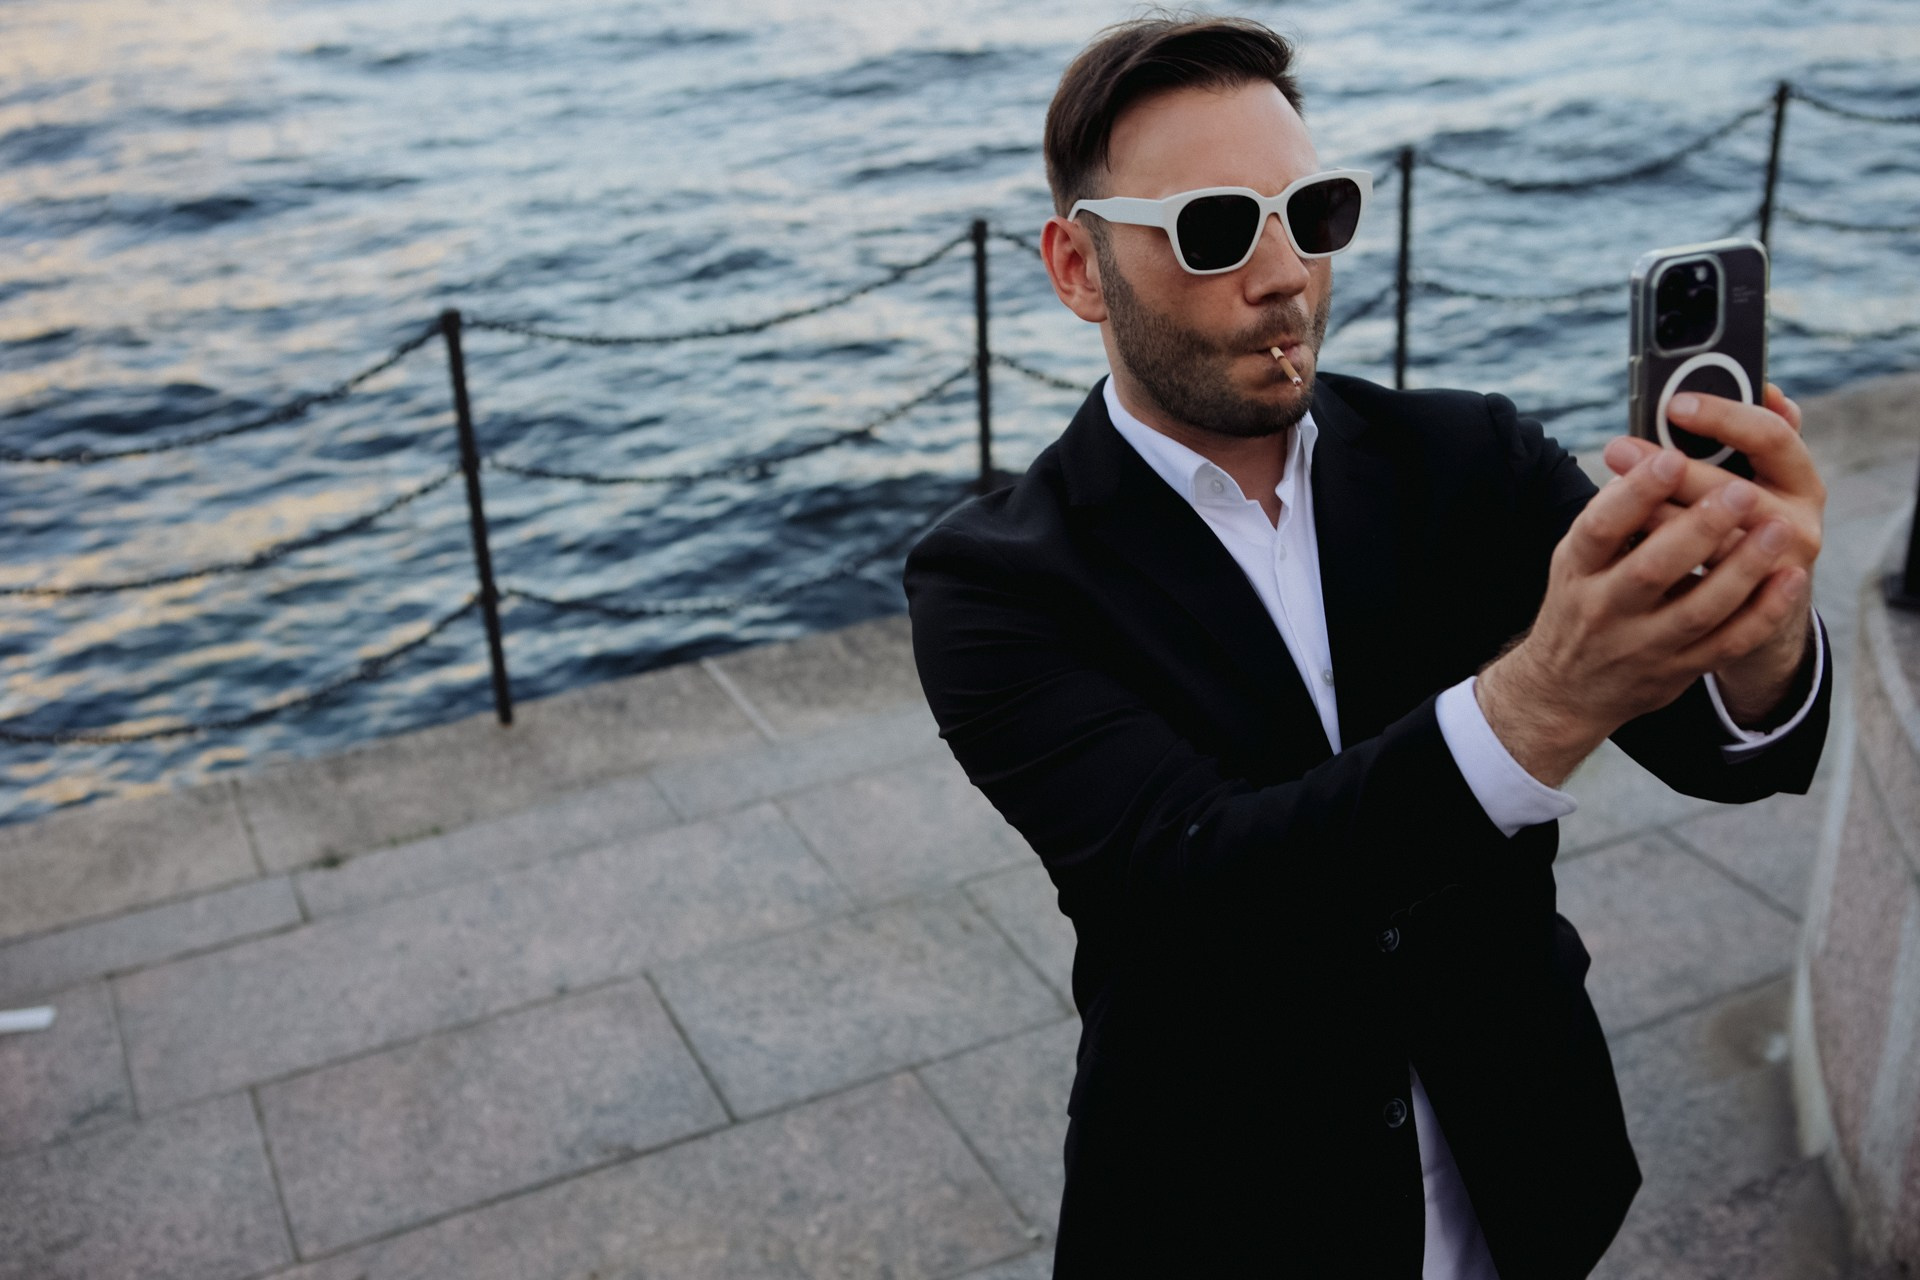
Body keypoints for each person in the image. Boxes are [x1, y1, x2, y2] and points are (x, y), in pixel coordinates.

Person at [901, 15, 1832, 1280]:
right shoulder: (993, 582)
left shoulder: (1472, 457)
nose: (1285, 273)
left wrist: (1759, 628)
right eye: (1216, 228)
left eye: (1313, 212)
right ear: (1079, 267)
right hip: (1225, 1217)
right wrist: (1545, 698)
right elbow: (1203, 892)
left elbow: (1721, 744)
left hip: (1525, 1171)